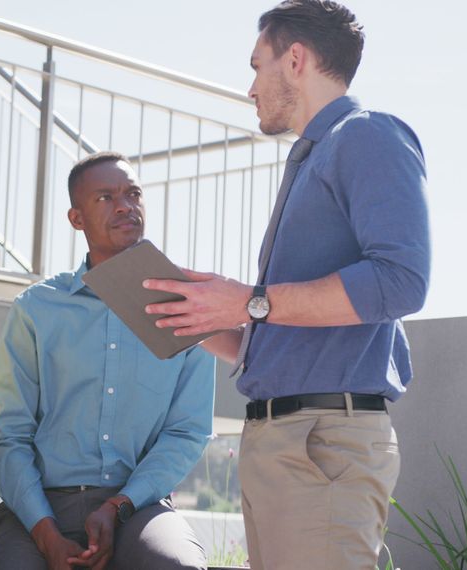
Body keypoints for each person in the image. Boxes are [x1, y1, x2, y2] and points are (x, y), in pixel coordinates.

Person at [143, 1, 430, 568]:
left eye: (256, 66)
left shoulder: (367, 136)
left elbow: (402, 281)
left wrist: (248, 301)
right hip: (285, 443)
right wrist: (200, 318)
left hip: (320, 446)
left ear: (294, 59)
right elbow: (281, 327)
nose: (250, 87)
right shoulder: (314, 156)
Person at [0, 152, 214, 570]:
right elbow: (9, 434)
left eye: (133, 193)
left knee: (177, 565)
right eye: (106, 197)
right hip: (42, 507)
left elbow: (186, 431)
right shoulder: (36, 309)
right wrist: (45, 532)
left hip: (138, 508)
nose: (125, 205)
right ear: (76, 218)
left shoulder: (184, 308)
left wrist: (118, 505)